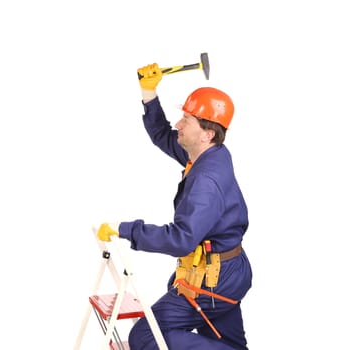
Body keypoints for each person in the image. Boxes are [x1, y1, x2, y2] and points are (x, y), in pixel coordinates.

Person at [97, 63, 252, 349]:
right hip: (227, 270)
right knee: (225, 340)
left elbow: (181, 238)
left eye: (187, 120)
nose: (178, 125)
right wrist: (148, 93)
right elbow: (163, 136)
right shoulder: (207, 154)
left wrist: (126, 229)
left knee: (145, 336)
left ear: (207, 134)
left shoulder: (207, 179)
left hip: (214, 281)